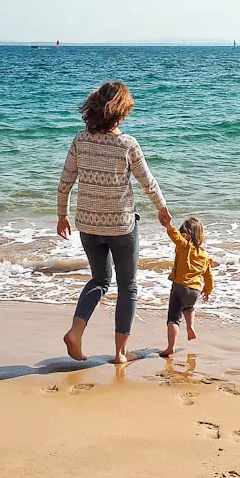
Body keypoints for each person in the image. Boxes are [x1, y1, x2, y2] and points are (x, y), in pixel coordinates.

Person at [57, 81, 170, 364]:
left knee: (99, 280)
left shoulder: (80, 140)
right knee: (128, 286)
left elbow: (65, 182)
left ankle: (75, 332)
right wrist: (162, 209)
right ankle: (120, 353)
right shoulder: (127, 144)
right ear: (121, 112)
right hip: (121, 226)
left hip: (88, 225)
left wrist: (62, 215)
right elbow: (148, 182)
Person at [160, 214, 213, 358]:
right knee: (189, 307)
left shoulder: (183, 245)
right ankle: (190, 326)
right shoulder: (204, 255)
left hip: (180, 287)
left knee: (173, 318)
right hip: (195, 291)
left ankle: (170, 347)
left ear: (186, 235)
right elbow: (208, 276)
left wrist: (169, 225)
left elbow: (174, 236)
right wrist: (207, 290)